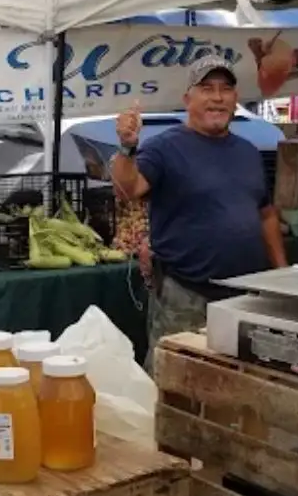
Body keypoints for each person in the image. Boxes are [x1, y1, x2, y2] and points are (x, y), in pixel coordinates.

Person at [112, 55, 288, 370]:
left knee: (238, 378)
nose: (217, 98)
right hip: (186, 294)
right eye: (207, 89)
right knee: (173, 376)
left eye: (225, 89)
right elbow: (127, 189)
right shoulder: (164, 147)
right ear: (187, 99)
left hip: (245, 297)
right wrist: (127, 147)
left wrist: (282, 274)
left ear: (235, 99)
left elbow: (266, 214)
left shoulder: (248, 152)